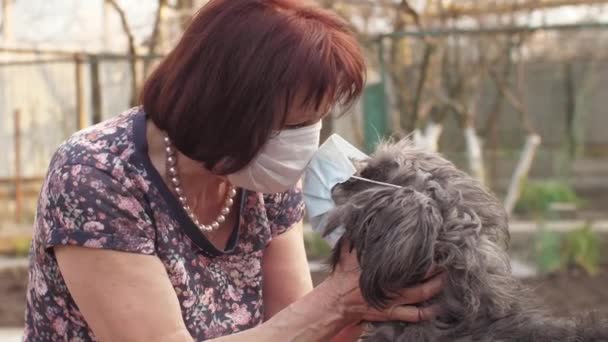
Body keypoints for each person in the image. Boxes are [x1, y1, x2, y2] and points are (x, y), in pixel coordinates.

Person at [23, 0, 443, 341]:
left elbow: (295, 324)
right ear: (226, 109)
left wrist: (366, 299)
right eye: (294, 125)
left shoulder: (259, 177)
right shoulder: (97, 176)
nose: (306, 142)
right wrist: (336, 301)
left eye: (316, 121)